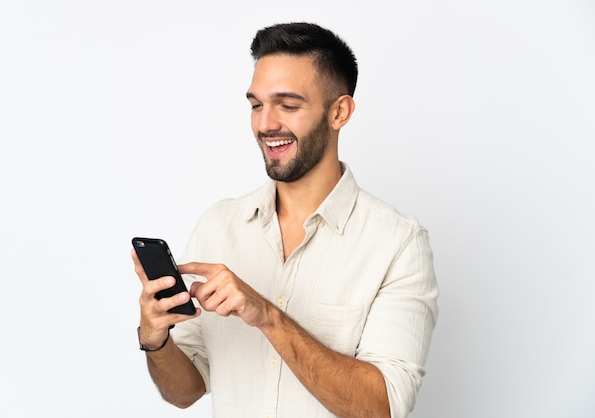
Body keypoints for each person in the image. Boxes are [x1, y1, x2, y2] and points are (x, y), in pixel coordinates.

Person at [133, 22, 439, 418]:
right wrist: (155, 339)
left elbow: (382, 407)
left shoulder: (398, 243)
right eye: (256, 104)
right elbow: (185, 391)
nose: (265, 124)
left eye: (288, 105)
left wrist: (268, 316)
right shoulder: (218, 225)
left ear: (339, 112)